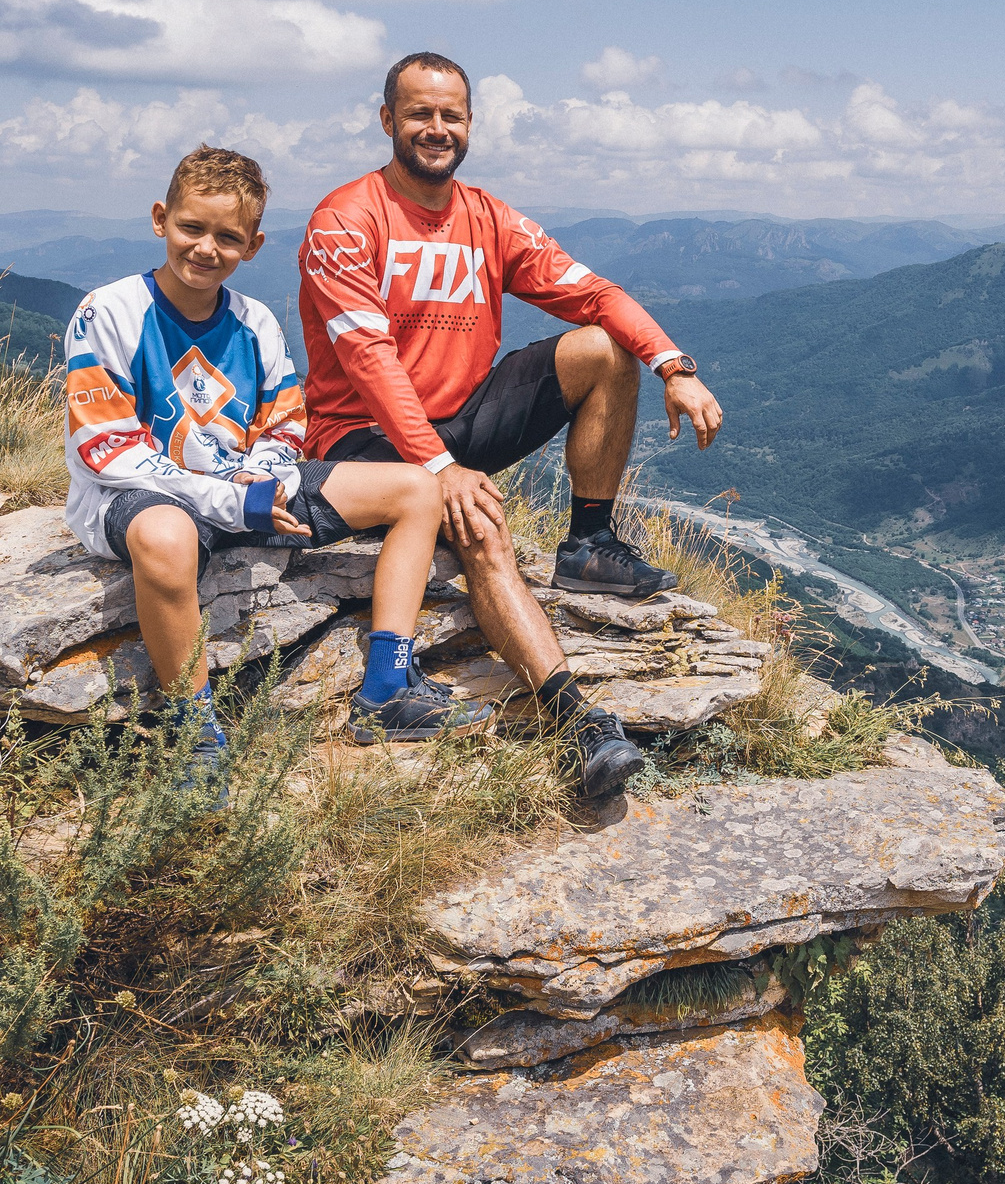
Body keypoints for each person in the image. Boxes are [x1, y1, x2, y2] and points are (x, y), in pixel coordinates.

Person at [298, 52, 725, 800]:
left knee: (603, 348)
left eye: (451, 114)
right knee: (484, 528)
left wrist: (672, 364)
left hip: (457, 420)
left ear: (469, 123)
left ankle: (590, 541)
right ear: (387, 119)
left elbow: (594, 293)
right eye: (420, 112)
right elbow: (366, 358)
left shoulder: (487, 217)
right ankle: (578, 723)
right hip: (363, 437)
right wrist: (438, 468)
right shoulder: (345, 219)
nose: (436, 128)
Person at [62, 143, 489, 783]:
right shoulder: (109, 313)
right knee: (164, 534)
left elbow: (288, 423)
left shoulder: (254, 321)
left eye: (228, 237)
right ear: (160, 219)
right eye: (191, 228)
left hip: (251, 487)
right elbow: (110, 452)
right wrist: (236, 501)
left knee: (417, 490)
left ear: (253, 244)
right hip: (142, 495)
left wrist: (259, 480)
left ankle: (387, 688)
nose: (207, 248)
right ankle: (192, 728)